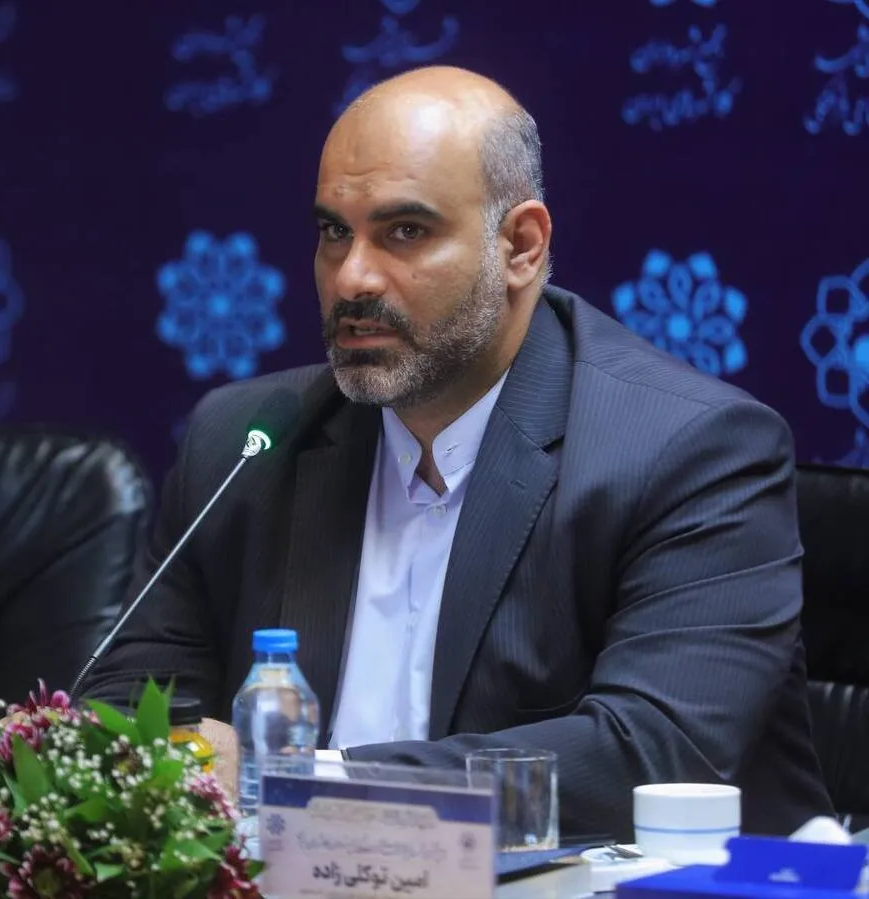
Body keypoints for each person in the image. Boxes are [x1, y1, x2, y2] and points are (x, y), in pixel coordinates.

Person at [85, 65, 833, 839]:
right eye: (334, 232)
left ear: (521, 245)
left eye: (405, 231)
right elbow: (124, 710)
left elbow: (649, 758)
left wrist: (300, 782)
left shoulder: (688, 450)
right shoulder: (247, 441)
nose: (353, 277)